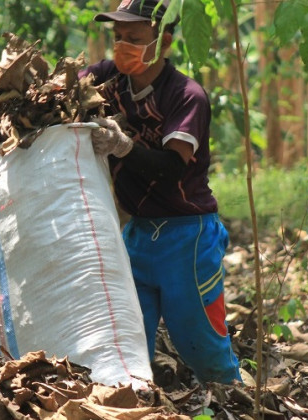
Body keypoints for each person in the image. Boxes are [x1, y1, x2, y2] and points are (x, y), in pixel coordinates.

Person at [79, 0, 242, 384]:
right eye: (118, 38)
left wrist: (123, 147)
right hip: (137, 232)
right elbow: (60, 90)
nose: (122, 47)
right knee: (130, 334)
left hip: (187, 235)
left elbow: (172, 169)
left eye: (134, 38)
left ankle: (230, 396)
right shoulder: (108, 80)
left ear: (164, 40)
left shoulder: (186, 96)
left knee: (198, 338)